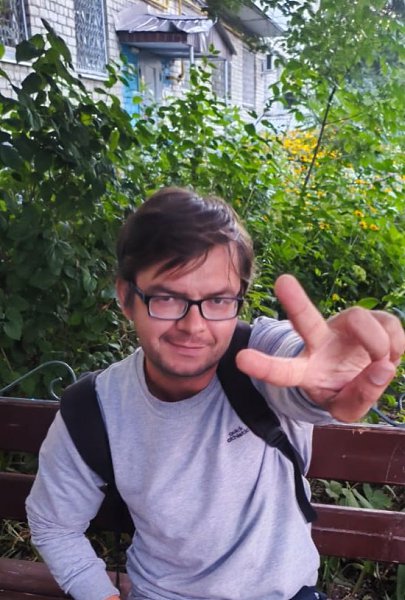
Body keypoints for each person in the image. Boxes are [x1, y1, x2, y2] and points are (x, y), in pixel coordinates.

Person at [26, 187, 405, 600]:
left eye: (219, 300)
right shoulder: (93, 409)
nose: (194, 326)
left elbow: (298, 375)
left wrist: (325, 389)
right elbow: (54, 524)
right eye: (167, 297)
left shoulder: (261, 360)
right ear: (126, 296)